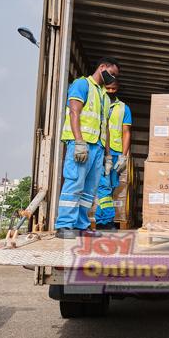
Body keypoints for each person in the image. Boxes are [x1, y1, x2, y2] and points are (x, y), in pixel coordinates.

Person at [54, 57, 120, 239]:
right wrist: (79, 142)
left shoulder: (104, 96)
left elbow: (104, 126)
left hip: (98, 149)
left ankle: (81, 226)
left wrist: (108, 156)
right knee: (74, 184)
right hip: (81, 145)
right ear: (102, 67)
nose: (112, 78)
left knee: (89, 190)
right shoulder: (82, 85)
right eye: (111, 73)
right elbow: (75, 112)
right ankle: (64, 226)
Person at [94, 80, 132, 230]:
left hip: (116, 153)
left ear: (118, 89)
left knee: (111, 187)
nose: (110, 91)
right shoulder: (97, 103)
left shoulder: (124, 108)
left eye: (113, 88)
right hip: (100, 150)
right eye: (107, 88)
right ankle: (106, 222)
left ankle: (100, 219)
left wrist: (124, 156)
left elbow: (126, 132)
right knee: (104, 186)